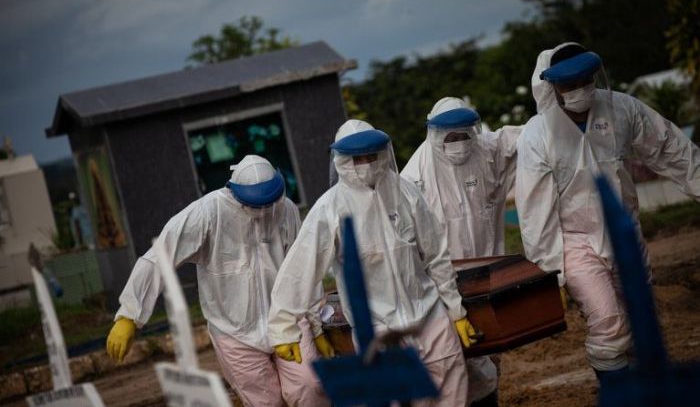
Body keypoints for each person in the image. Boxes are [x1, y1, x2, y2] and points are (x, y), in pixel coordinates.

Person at [515, 42, 700, 379]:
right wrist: (550, 272)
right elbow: (534, 212)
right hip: (576, 243)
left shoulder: (622, 109)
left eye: (585, 81)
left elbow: (671, 148)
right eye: (568, 85)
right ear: (551, 87)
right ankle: (616, 392)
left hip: (625, 231)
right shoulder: (538, 135)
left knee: (640, 318)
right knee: (608, 323)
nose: (579, 91)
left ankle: (648, 391)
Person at [268, 119, 476, 406]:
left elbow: (436, 254)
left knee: (452, 389)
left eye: (371, 155)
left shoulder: (405, 192)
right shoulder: (330, 208)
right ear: (342, 160)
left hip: (429, 314)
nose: (365, 163)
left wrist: (455, 310)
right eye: (356, 158)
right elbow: (301, 268)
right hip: (377, 327)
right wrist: (283, 325)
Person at [105, 155, 332, 407]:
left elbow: (304, 269)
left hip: (287, 319)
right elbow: (160, 256)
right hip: (234, 331)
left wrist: (316, 323)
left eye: (270, 202)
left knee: (311, 386)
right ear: (235, 194)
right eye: (257, 205)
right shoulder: (207, 213)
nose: (265, 210)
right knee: (264, 401)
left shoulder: (286, 209)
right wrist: (129, 314)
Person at [402, 97, 522, 405]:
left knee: (490, 355)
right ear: (436, 135)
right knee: (457, 362)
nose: (458, 142)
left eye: (463, 134)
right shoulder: (414, 176)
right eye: (450, 136)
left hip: (487, 275)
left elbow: (532, 134)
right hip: (441, 286)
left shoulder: (487, 150)